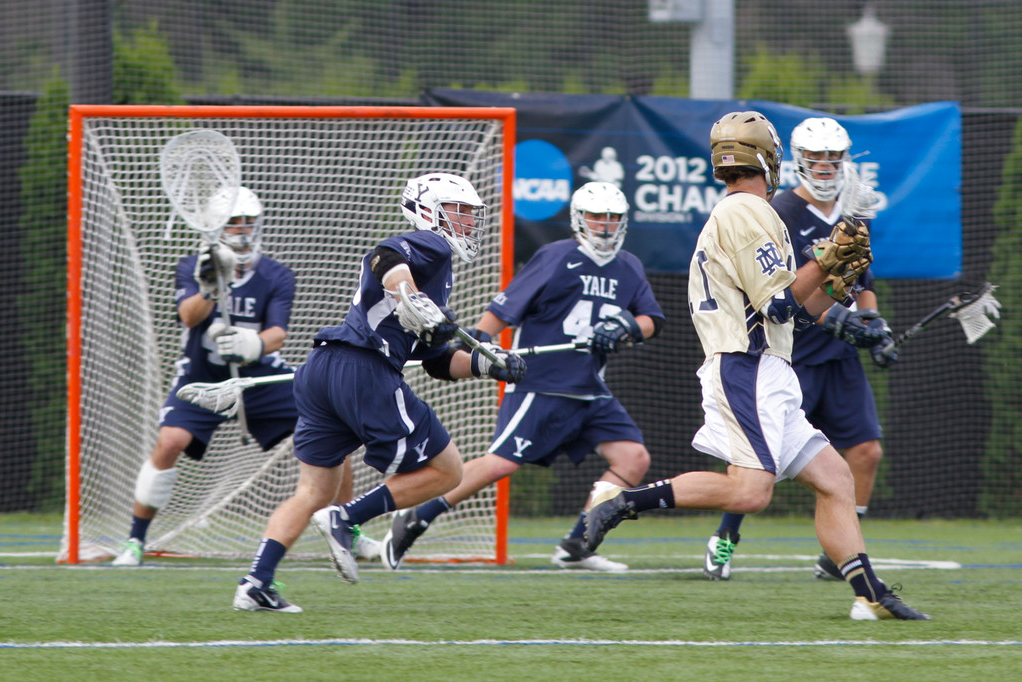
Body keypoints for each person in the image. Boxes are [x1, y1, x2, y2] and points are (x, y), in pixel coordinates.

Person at [583, 111, 929, 620]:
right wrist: (827, 258)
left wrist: (836, 281)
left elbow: (802, 313)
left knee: (835, 479)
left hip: (769, 363)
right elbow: (780, 306)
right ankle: (623, 502)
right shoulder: (748, 211)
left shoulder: (749, 211)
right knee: (750, 491)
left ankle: (870, 595)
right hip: (744, 362)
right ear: (768, 156)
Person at [232, 172, 527, 612]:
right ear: (429, 211)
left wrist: (488, 364)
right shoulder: (432, 246)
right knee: (449, 471)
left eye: (470, 213)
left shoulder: (438, 274)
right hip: (362, 368)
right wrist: (411, 296)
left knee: (313, 490)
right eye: (459, 211)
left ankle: (256, 582)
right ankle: (346, 518)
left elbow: (436, 361)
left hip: (323, 370)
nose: (467, 222)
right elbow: (384, 255)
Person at [380, 181, 665, 573]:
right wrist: (477, 345)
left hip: (590, 387)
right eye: (597, 217)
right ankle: (418, 515)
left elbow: (652, 319)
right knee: (501, 462)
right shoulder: (556, 256)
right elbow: (504, 309)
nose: (605, 226)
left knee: (632, 457)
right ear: (579, 220)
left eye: (613, 218)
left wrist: (627, 326)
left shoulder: (629, 266)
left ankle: (578, 544)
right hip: (539, 381)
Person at [111, 187, 379, 567]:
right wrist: (210, 286)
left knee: (334, 429)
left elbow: (277, 335)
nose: (242, 231)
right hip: (203, 378)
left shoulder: (275, 275)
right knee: (170, 441)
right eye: (233, 223)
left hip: (261, 379)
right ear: (216, 227)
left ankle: (347, 530)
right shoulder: (192, 266)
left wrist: (251, 343)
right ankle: (135, 541)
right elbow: (188, 316)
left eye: (248, 222)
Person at [702, 117, 898, 582]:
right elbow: (777, 293)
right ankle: (726, 536)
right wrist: (840, 318)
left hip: (839, 356)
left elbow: (863, 280)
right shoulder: (780, 209)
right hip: (791, 349)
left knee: (865, 452)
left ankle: (842, 552)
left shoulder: (854, 211)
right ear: (798, 160)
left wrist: (874, 323)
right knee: (756, 463)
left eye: (834, 158)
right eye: (817, 158)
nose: (826, 166)